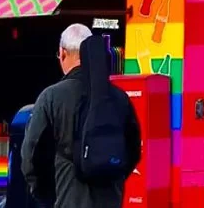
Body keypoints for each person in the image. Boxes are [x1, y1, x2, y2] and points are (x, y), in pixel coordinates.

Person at [21, 24, 140, 208]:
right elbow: (133, 151)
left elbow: (31, 157)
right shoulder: (119, 98)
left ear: (62, 53)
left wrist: (47, 196)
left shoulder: (51, 98)